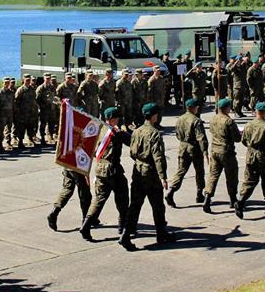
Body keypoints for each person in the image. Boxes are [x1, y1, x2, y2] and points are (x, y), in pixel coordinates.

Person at [120, 103, 176, 251]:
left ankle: (125, 235)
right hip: (151, 173)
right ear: (153, 116)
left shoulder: (137, 131)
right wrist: (163, 176)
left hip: (138, 170)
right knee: (158, 205)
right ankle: (161, 233)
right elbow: (158, 157)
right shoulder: (154, 133)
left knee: (135, 205)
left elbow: (132, 152)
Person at [80, 107, 129, 241]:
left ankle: (86, 225)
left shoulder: (98, 130)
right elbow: (131, 141)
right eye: (117, 118)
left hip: (99, 168)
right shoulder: (115, 133)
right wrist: (122, 132)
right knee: (122, 197)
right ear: (113, 119)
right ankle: (122, 225)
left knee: (99, 199)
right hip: (113, 169)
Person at [236, 102, 265, 217]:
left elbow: (243, 140)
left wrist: (251, 148)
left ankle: (241, 201)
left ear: (255, 112)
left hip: (250, 155)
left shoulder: (248, 125)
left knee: (250, 180)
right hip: (263, 156)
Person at [166, 98, 208, 207]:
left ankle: (171, 191)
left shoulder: (180, 119)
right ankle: (199, 194)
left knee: (181, 171)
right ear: (194, 108)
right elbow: (201, 137)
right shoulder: (196, 120)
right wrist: (205, 150)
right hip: (194, 148)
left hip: (183, 146)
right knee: (199, 171)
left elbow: (177, 134)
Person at [203, 98, 241, 213]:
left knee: (213, 175)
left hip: (214, 150)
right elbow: (237, 138)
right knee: (231, 176)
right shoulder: (229, 121)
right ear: (227, 108)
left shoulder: (213, 119)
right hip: (226, 152)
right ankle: (233, 199)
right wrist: (241, 133)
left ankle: (207, 197)